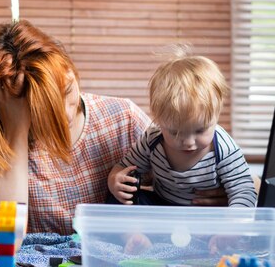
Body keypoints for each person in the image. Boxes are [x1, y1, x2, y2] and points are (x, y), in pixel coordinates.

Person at [0, 20, 229, 241]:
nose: (67, 114)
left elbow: (219, 165)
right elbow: (2, 238)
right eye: (46, 109)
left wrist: (218, 193)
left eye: (69, 90)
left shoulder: (121, 118)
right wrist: (16, 130)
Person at [108, 45, 257, 208]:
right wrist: (115, 180)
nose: (188, 142)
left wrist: (230, 227)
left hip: (207, 212)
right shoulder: (152, 139)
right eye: (175, 132)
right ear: (158, 120)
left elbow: (244, 190)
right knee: (119, 197)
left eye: (200, 130)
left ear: (217, 114)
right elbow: (124, 168)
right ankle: (134, 233)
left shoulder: (223, 148)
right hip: (163, 206)